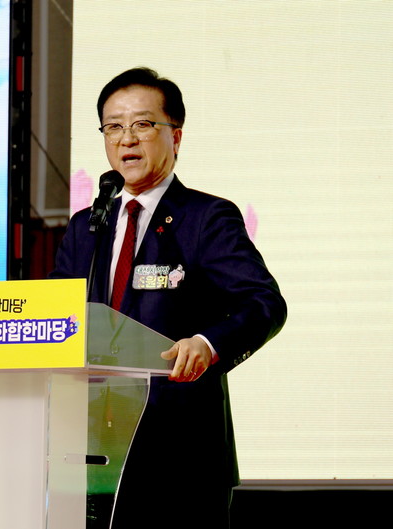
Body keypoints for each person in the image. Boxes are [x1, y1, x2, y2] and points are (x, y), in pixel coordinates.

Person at [49, 67, 287, 527]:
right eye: (113, 127)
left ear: (175, 136)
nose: (126, 139)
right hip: (89, 452)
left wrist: (208, 344)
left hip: (178, 456)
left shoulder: (206, 217)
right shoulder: (86, 227)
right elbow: (58, 316)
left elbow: (263, 303)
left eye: (142, 124)